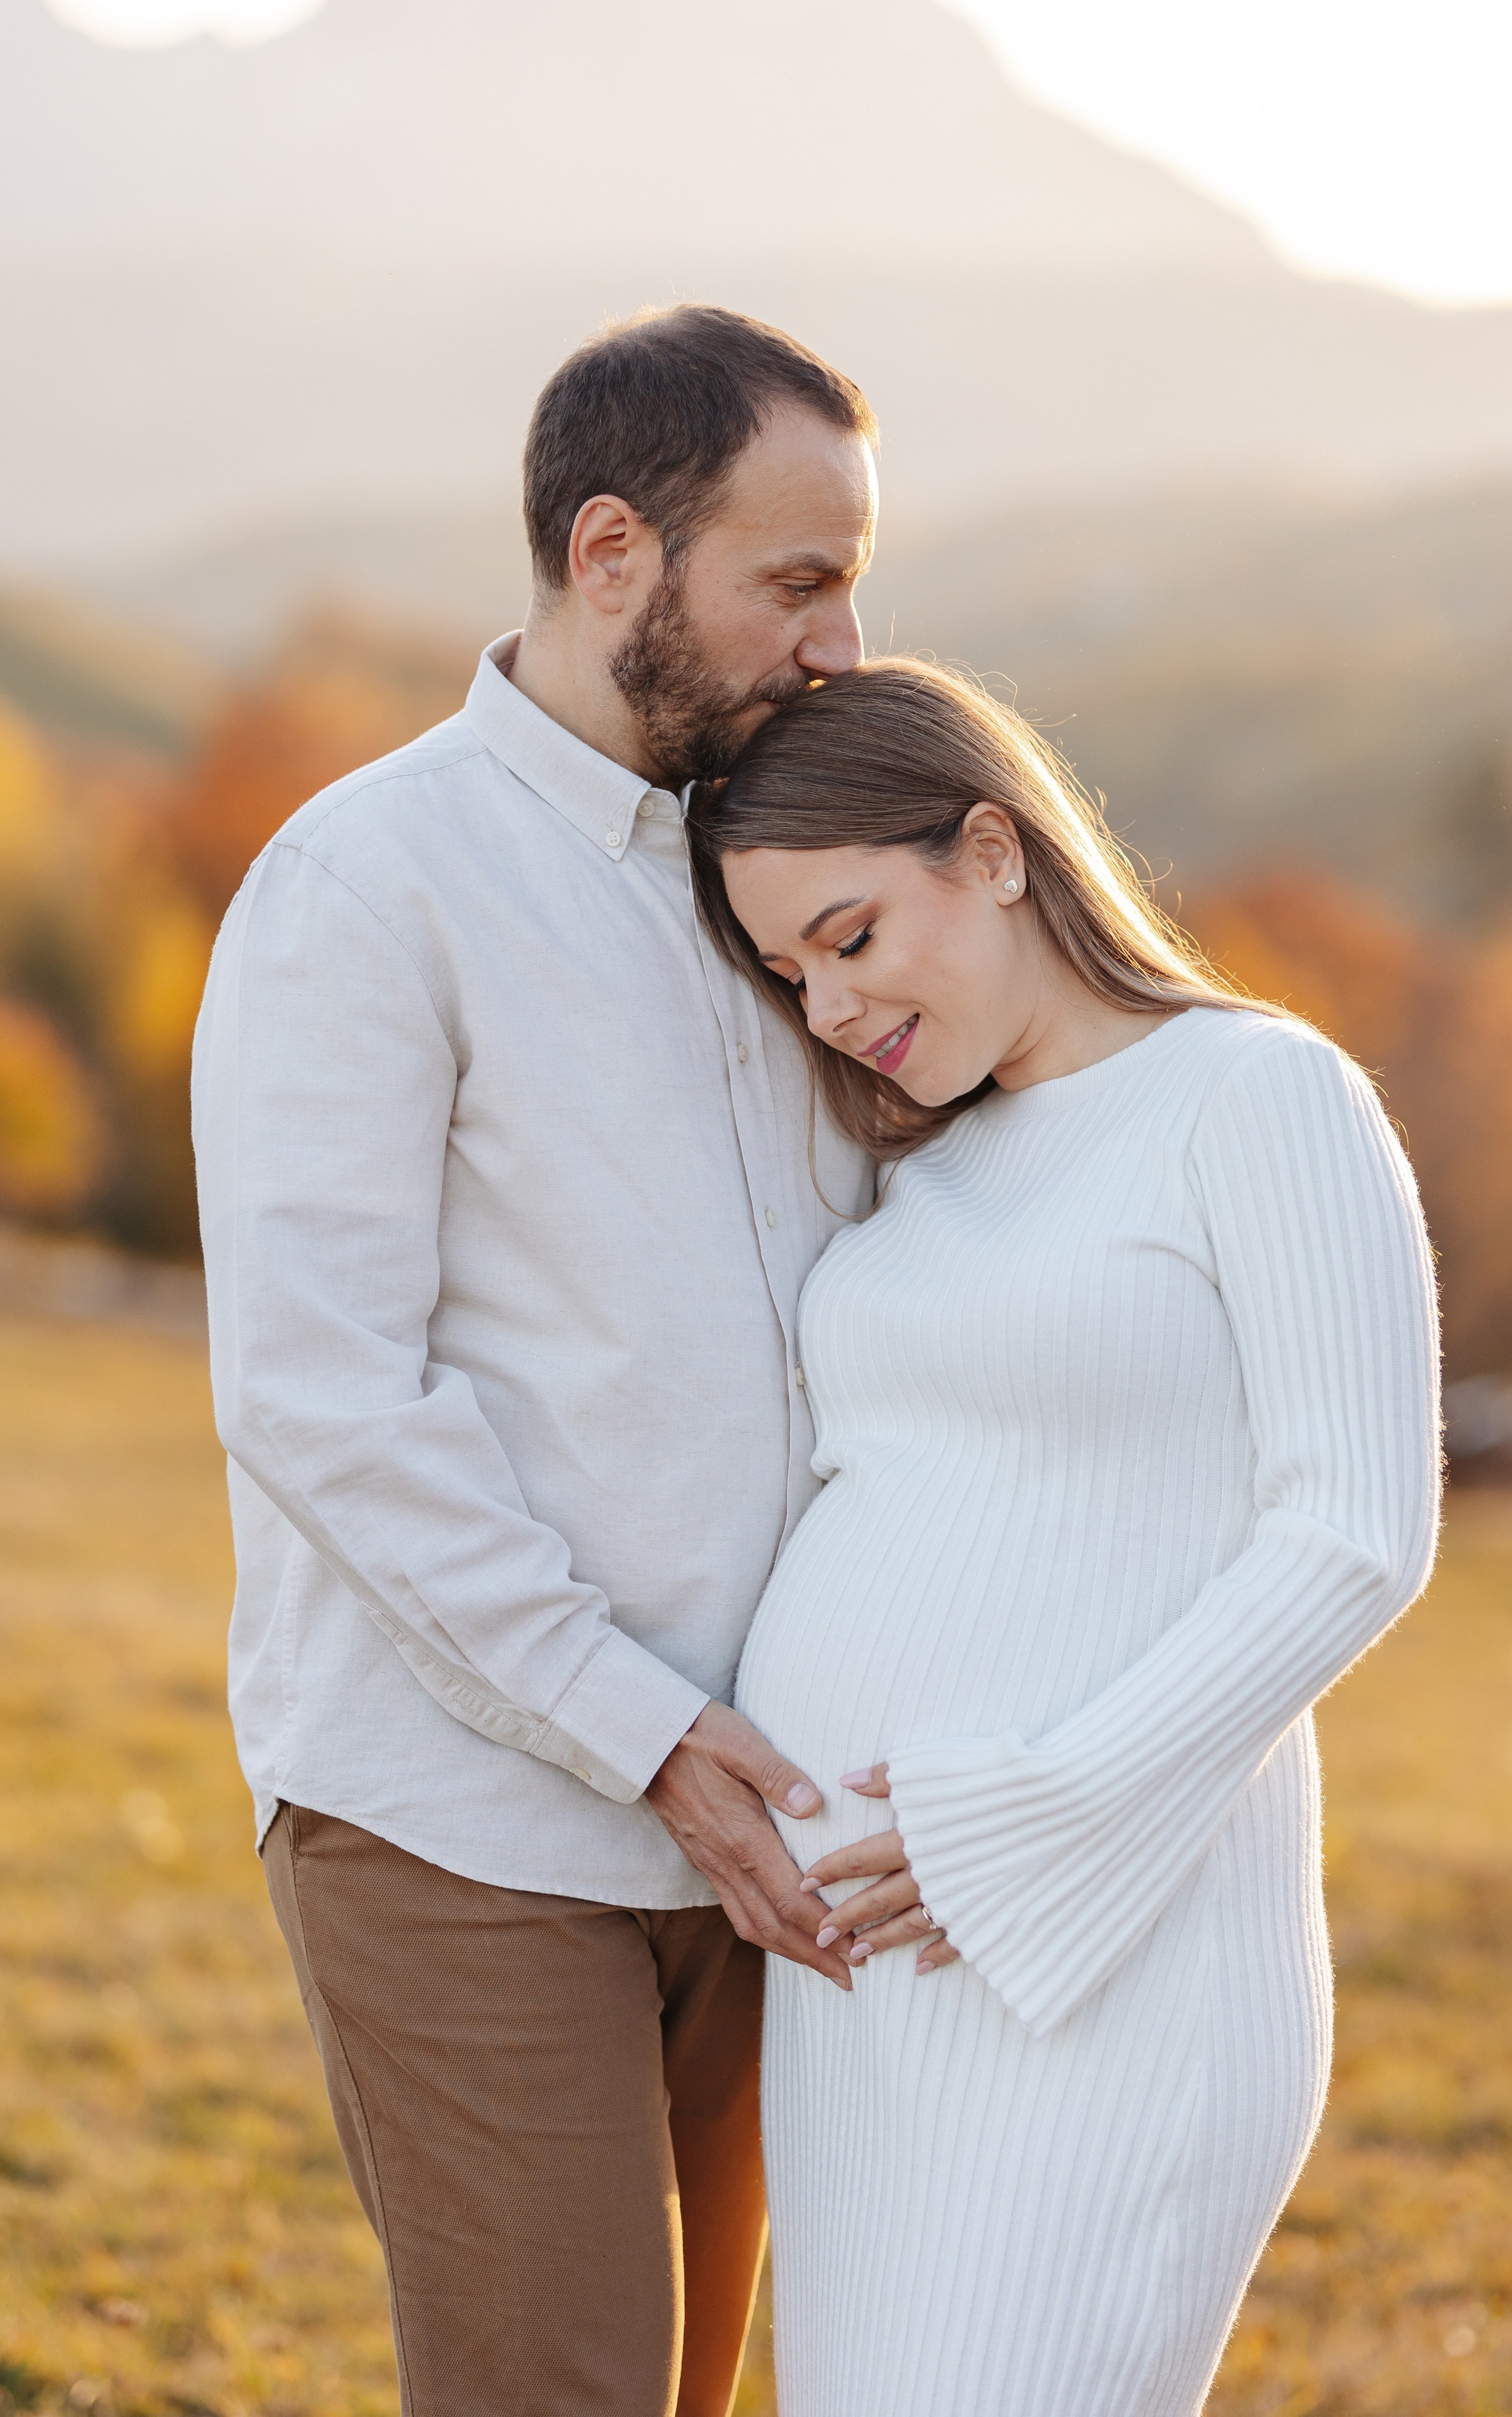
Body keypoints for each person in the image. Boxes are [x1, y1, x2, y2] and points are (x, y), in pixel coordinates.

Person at [190, 305, 879, 2417]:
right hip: (469, 1821)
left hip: (756, 1828)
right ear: (610, 557)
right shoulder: (367, 884)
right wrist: (642, 1725)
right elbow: (320, 1391)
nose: (844, 645)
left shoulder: (778, 885)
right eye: (801, 580)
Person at [686, 657, 1442, 2417]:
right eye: (793, 970)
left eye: (855, 933)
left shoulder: (1258, 1098)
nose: (831, 1004)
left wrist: (1024, 1820)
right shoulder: (931, 1169)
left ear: (996, 852)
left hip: (1102, 1956)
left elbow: (1355, 1533)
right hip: (875, 1973)